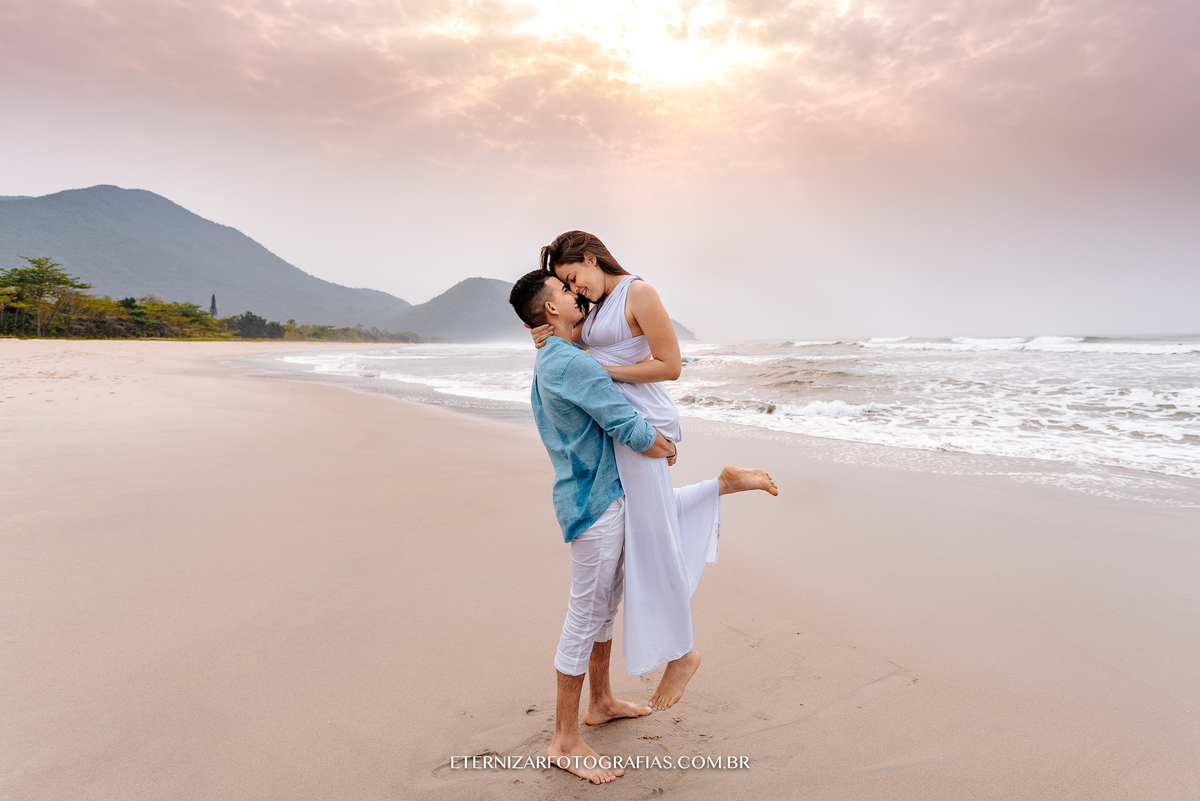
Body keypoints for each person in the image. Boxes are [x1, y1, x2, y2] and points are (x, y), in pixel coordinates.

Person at [530, 231, 777, 713]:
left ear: (591, 258)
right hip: (621, 421)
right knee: (647, 523)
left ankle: (683, 653)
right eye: (567, 286)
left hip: (640, 416)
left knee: (651, 535)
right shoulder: (594, 304)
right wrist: (550, 334)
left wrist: (600, 370)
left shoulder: (639, 292)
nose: (575, 289)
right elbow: (570, 349)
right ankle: (722, 484)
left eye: (573, 277)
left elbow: (670, 365)